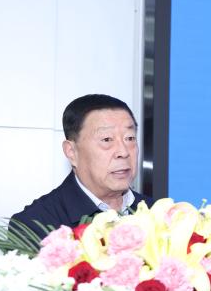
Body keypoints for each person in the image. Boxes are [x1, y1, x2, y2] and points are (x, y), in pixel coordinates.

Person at [12, 94, 152, 238]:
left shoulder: (157, 213)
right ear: (71, 152)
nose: (123, 152)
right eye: (106, 139)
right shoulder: (35, 224)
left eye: (130, 138)